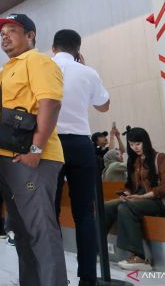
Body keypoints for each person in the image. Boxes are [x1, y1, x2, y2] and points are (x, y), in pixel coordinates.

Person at [0, 13, 67, 286]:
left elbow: (50, 103)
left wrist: (36, 148)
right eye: (2, 31)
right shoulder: (5, 71)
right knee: (22, 231)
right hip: (6, 160)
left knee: (40, 230)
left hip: (32, 160)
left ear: (30, 35)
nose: (4, 35)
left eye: (12, 30)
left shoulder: (38, 61)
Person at [51, 29, 110, 286]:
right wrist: (84, 69)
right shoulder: (88, 72)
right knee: (85, 214)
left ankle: (52, 274)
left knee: (49, 211)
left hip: (51, 144)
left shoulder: (44, 67)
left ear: (53, 48)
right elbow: (103, 105)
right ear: (77, 50)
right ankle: (88, 277)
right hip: (81, 144)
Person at [104, 127, 165, 271]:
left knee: (125, 207)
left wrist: (143, 196)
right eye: (131, 144)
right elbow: (130, 186)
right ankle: (97, 249)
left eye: (138, 143)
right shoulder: (134, 161)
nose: (134, 147)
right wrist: (126, 193)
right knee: (106, 207)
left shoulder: (161, 158)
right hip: (138, 199)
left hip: (158, 201)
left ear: (145, 141)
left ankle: (139, 257)